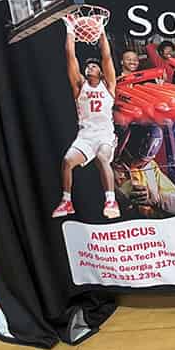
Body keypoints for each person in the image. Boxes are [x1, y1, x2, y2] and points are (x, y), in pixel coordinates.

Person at [52, 25, 119, 221]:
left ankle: (111, 200)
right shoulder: (79, 86)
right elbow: (70, 56)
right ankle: (67, 201)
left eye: (94, 66)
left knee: (101, 158)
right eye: (88, 66)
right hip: (86, 135)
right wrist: (70, 29)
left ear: (100, 72)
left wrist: (102, 32)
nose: (90, 67)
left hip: (105, 134)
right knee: (67, 161)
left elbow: (106, 56)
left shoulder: (109, 86)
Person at [113, 124, 175, 219]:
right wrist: (124, 198)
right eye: (138, 161)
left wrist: (158, 199)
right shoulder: (108, 168)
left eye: (145, 162)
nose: (142, 165)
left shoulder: (150, 167)